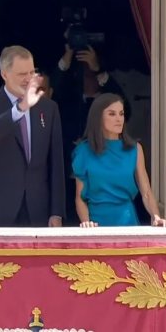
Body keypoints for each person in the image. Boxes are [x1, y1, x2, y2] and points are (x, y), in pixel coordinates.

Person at [0, 45, 65, 227]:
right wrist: (19, 109)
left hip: (38, 210)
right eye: (22, 74)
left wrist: (56, 211)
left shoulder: (48, 108)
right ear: (4, 74)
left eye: (31, 72)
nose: (28, 79)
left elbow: (56, 162)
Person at [52, 43, 130, 226]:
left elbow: (124, 108)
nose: (88, 79)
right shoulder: (68, 99)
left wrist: (98, 69)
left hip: (101, 179)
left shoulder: (108, 107)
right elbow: (50, 91)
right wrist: (67, 58)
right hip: (69, 174)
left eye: (92, 75)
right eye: (84, 74)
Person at [71, 93, 166, 227]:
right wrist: (86, 223)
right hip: (96, 225)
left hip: (127, 222)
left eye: (121, 114)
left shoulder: (134, 149)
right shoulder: (84, 151)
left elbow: (146, 192)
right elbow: (80, 198)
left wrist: (156, 217)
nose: (119, 119)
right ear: (98, 117)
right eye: (112, 114)